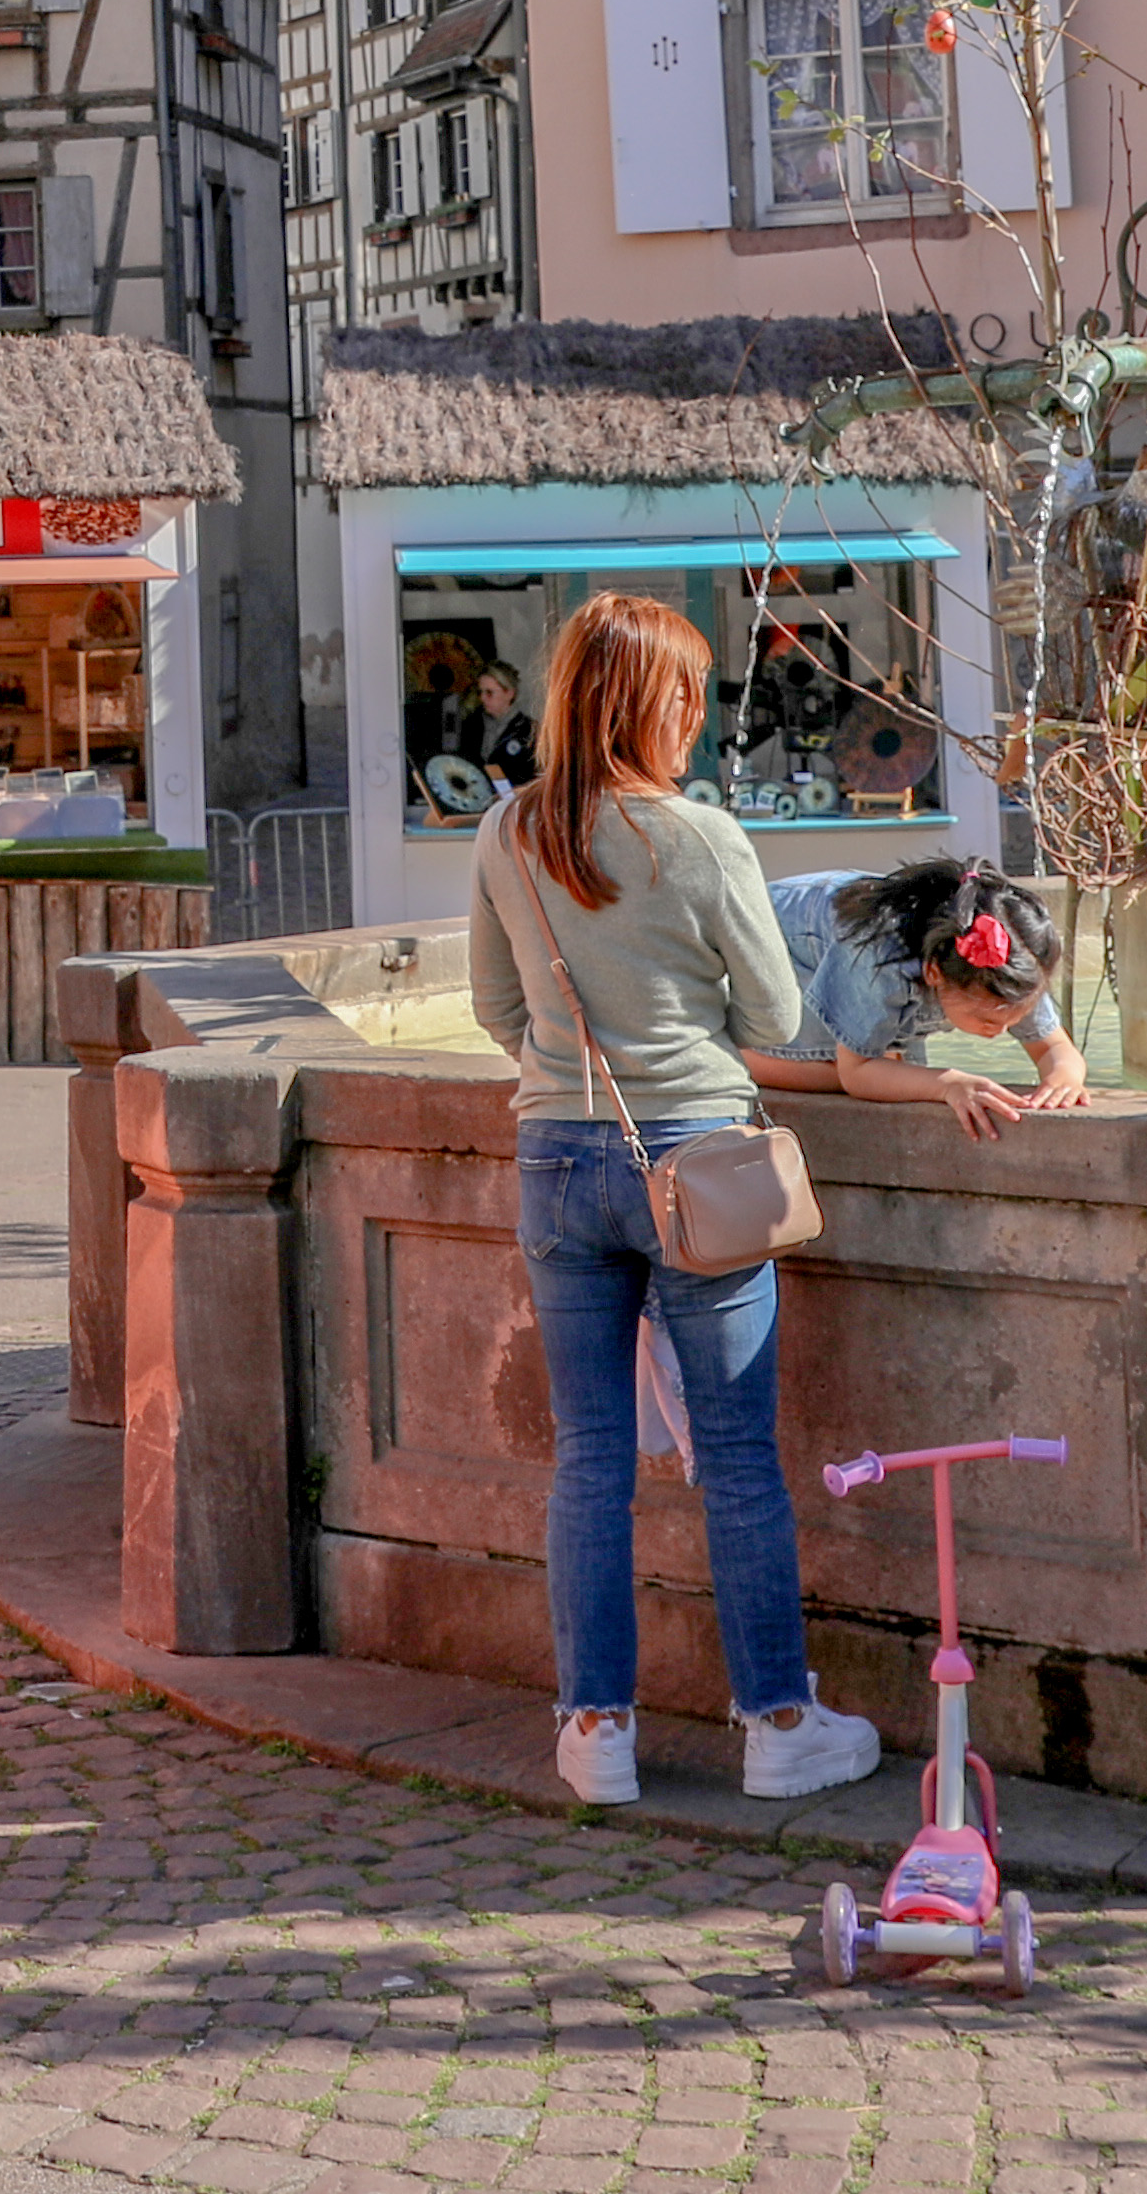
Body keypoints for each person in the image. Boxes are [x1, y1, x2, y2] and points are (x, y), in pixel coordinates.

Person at [464, 593, 883, 1814]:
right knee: (737, 1453)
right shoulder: (702, 836)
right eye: (689, 691)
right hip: (696, 1159)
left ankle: (596, 1726)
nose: (700, 712)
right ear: (660, 703)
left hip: (556, 1156)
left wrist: (577, 1071)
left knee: (589, 1454)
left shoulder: (508, 830)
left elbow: (496, 1007)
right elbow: (774, 1018)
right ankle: (779, 1722)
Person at [769, 860, 1092, 1135]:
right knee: (873, 1070)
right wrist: (948, 1084)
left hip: (849, 951)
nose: (1001, 1030)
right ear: (935, 973)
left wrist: (1064, 1076)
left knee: (898, 1071)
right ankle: (743, 1058)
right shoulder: (880, 957)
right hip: (771, 950)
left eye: (1015, 1019)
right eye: (986, 1019)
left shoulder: (1012, 968)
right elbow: (856, 1072)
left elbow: (1054, 1048)